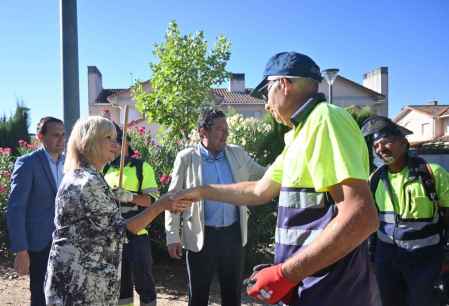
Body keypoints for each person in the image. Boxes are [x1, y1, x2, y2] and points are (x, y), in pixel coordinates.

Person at [173, 52, 380, 306]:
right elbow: (259, 190)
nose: (266, 105)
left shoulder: (325, 120)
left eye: (265, 93)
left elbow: (361, 216)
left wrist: (285, 273)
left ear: (283, 84)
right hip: (308, 286)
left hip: (331, 290)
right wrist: (201, 192)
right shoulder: (298, 135)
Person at [44, 116, 191, 306]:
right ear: (89, 141)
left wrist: (135, 198)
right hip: (80, 286)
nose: (116, 144)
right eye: (109, 138)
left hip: (83, 283)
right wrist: (160, 206)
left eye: (117, 139)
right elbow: (119, 230)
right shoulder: (87, 182)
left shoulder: (86, 176)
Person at [165, 109, 266, 306]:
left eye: (226, 129)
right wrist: (172, 236)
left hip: (233, 236)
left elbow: (263, 174)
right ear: (203, 131)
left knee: (232, 296)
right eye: (220, 129)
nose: (226, 134)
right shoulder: (186, 158)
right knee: (198, 297)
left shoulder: (237, 153)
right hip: (200, 238)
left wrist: (286, 163)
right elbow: (172, 199)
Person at [361, 115, 449, 306]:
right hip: (386, 259)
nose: (380, 149)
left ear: (403, 142)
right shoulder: (374, 179)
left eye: (386, 143)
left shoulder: (432, 173)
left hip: (425, 259)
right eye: (376, 146)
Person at [7, 116, 65, 306]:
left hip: (67, 242)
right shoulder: (27, 163)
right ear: (40, 136)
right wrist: (21, 251)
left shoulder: (71, 164)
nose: (61, 139)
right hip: (39, 244)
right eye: (56, 135)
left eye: (63, 135)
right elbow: (16, 208)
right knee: (41, 297)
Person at [104, 125, 159, 306]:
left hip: (137, 235)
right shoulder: (105, 170)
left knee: (144, 283)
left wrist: (129, 196)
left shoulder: (142, 167)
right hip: (113, 235)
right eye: (109, 142)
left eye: (116, 141)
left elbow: (152, 201)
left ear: (125, 143)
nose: (113, 146)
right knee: (120, 286)